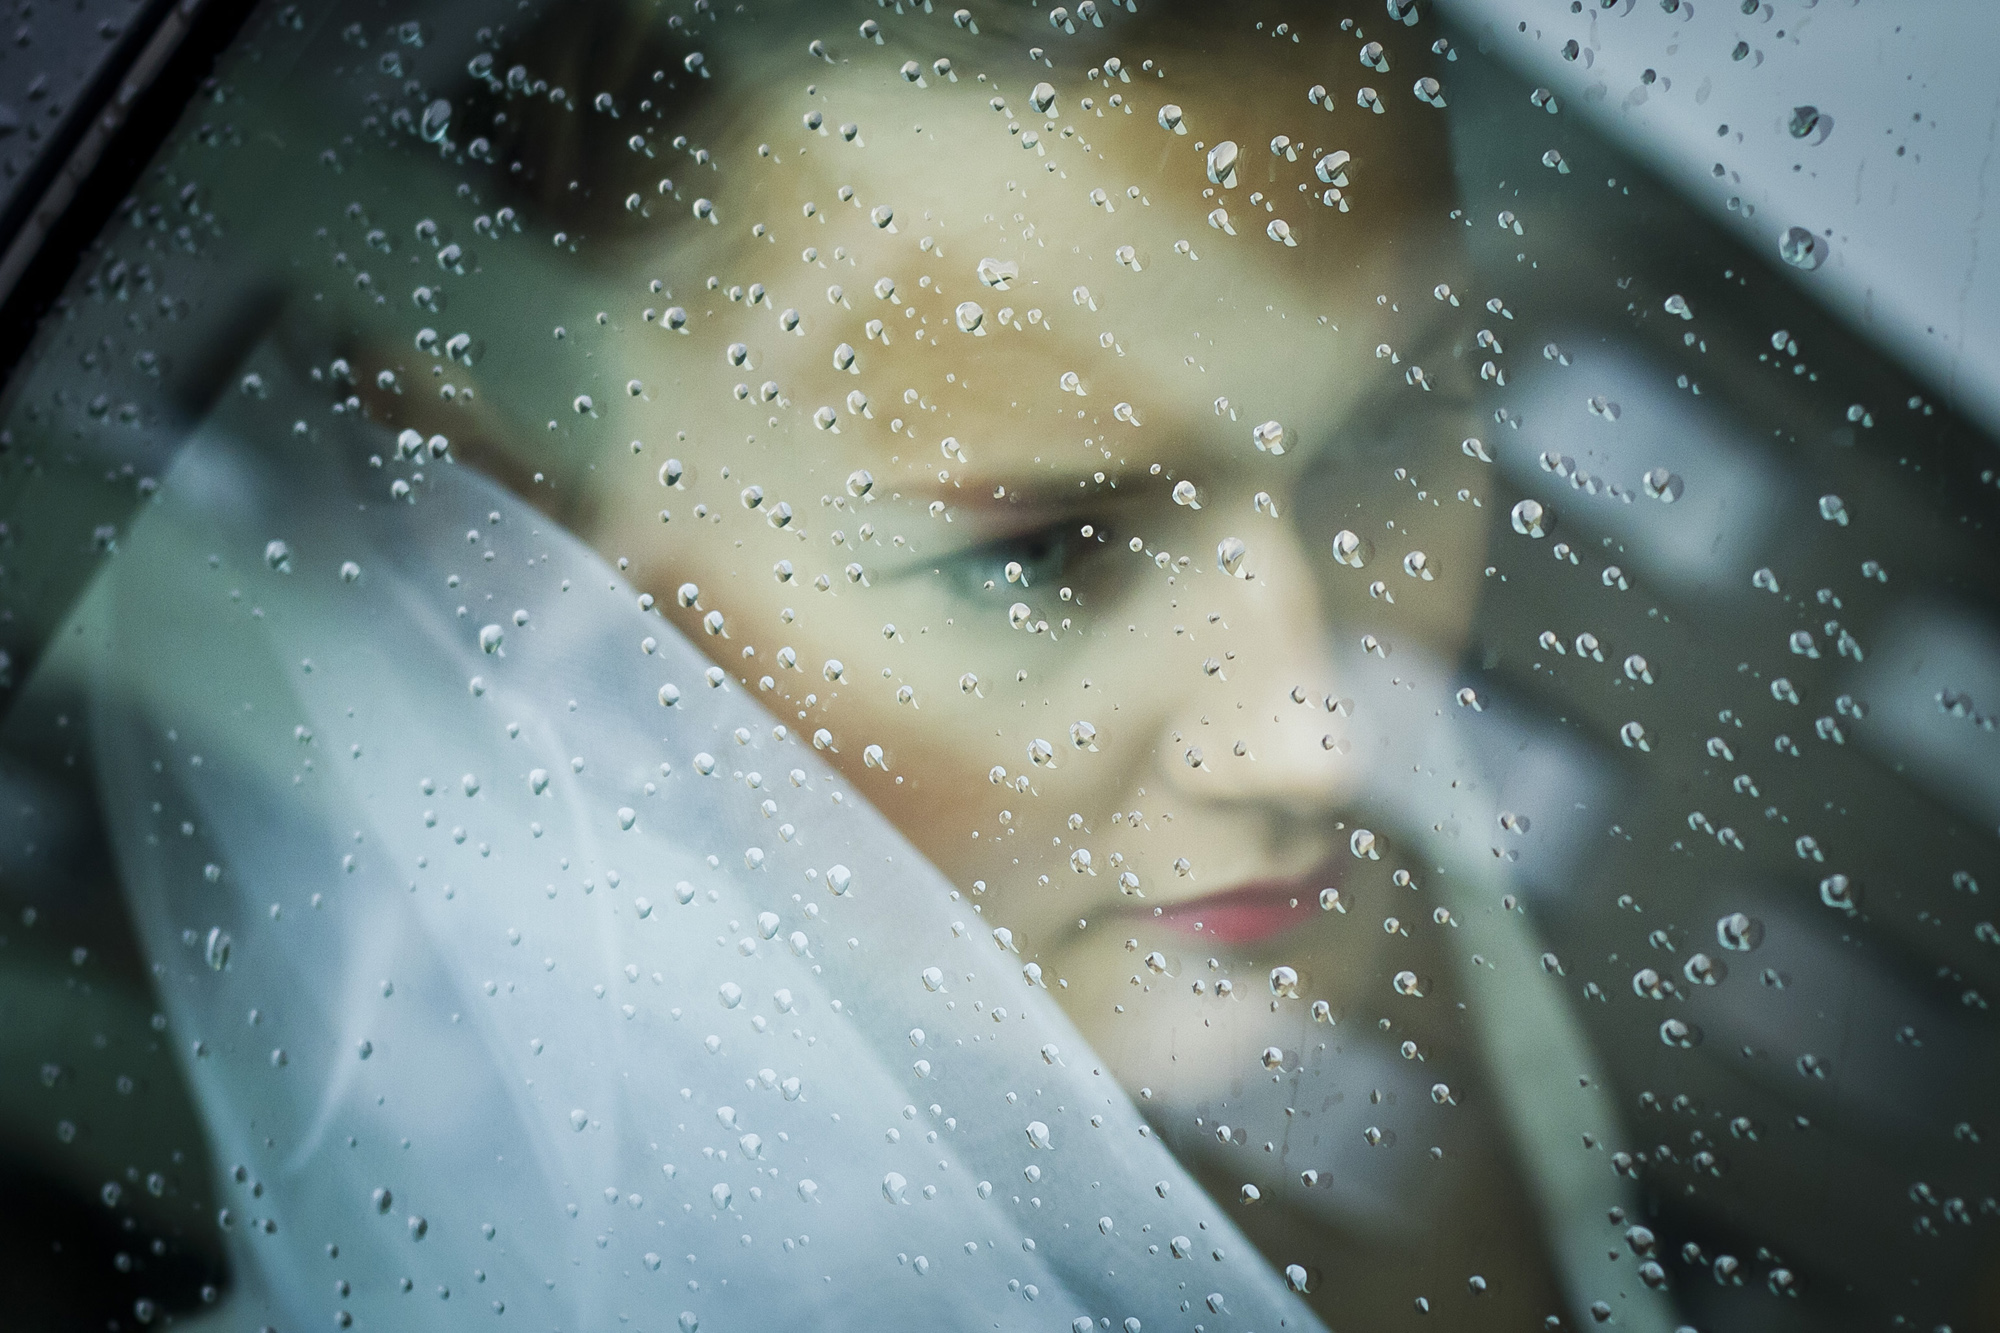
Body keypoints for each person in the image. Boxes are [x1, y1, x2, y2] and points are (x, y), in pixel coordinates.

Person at [0, 0, 1993, 1329]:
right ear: (504, 514)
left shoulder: (1432, 1042)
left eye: (1389, 436)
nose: (1306, 728)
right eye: (1038, 551)